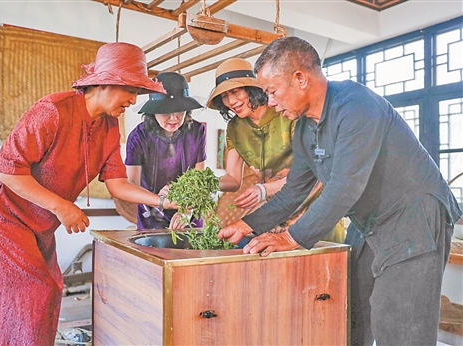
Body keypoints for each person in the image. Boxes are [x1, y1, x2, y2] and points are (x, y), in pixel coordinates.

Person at [218, 36, 462, 346]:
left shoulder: (356, 105)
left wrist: (292, 237)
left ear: (300, 78)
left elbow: (345, 186)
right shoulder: (306, 128)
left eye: (272, 91)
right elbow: (294, 190)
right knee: (349, 308)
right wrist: (245, 225)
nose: (271, 102)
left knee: (397, 321)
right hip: (370, 222)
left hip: (414, 217)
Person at [0, 42, 178, 346]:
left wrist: (163, 200)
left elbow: (117, 184)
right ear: (109, 82)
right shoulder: (53, 109)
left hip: (39, 218)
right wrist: (62, 207)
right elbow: (6, 171)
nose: (134, 101)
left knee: (52, 287)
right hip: (1, 213)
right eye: (131, 91)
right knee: (33, 291)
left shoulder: (110, 128)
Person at [208, 58, 344, 242]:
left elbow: (314, 172)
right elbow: (232, 179)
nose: (231, 101)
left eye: (235, 91)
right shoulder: (234, 128)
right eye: (224, 96)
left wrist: (263, 190)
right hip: (276, 214)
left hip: (315, 206)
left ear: (251, 89)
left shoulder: (287, 111)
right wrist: (205, 184)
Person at [125, 71, 206, 229]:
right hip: (152, 216)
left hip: (189, 213)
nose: (174, 118)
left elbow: (199, 178)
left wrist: (186, 211)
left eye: (179, 111)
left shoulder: (197, 131)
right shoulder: (138, 137)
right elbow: (132, 184)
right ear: (153, 111)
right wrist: (160, 200)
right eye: (166, 112)